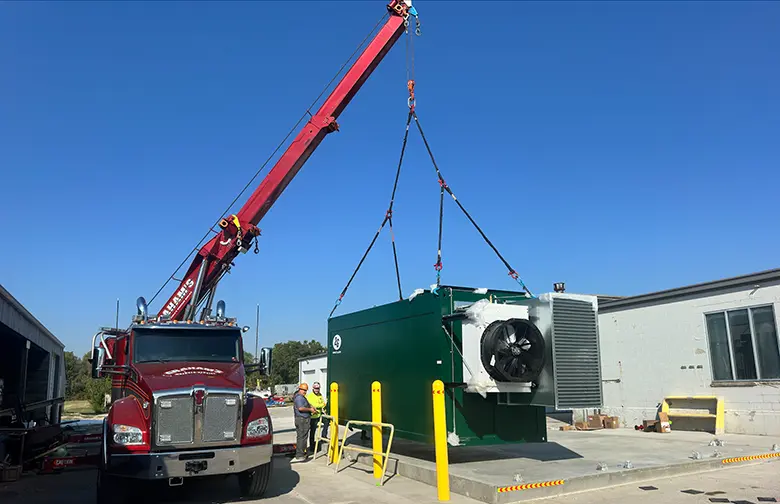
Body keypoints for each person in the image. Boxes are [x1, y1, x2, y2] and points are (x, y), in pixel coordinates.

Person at [292, 383, 316, 461]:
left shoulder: (301, 397)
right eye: (303, 390)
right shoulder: (299, 398)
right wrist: (310, 410)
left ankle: (301, 453)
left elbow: (304, 405)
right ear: (299, 389)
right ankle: (300, 454)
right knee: (302, 437)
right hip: (302, 420)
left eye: (305, 390)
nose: (304, 391)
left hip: (302, 419)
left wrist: (310, 406)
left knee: (302, 437)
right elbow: (300, 408)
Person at [306, 382, 328, 452]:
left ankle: (324, 436)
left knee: (327, 421)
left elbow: (323, 403)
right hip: (313, 416)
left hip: (319, 415)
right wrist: (321, 405)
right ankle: (312, 447)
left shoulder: (320, 395)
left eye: (318, 388)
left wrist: (322, 405)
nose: (316, 390)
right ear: (313, 388)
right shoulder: (310, 396)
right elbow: (314, 405)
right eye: (315, 388)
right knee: (313, 431)